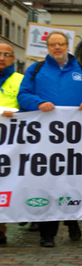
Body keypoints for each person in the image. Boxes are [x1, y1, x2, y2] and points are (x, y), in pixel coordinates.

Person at [18, 31, 82, 247]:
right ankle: (48, 233)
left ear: (68, 46)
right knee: (48, 181)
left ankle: (72, 220)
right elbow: (23, 94)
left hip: (76, 138)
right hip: (45, 140)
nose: (57, 47)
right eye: (53, 44)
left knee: (72, 180)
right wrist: (37, 103)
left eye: (61, 44)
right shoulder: (35, 70)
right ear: (47, 47)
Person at [0, 43, 23, 244]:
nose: (2, 58)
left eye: (6, 54)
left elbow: (27, 105)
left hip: (12, 141)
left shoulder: (19, 80)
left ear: (13, 59)